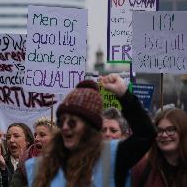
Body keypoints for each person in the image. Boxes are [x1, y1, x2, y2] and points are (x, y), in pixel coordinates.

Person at [25, 73, 156, 187]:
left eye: (72, 122)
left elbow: (146, 134)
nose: (64, 127)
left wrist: (124, 95)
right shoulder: (38, 166)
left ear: (90, 127)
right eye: (61, 121)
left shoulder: (112, 157)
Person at [132, 107, 187, 187]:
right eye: (159, 130)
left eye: (170, 129)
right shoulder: (142, 167)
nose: (164, 135)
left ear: (183, 131)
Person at [10, 117, 58, 187]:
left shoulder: (64, 161)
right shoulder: (24, 160)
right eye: (35, 135)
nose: (36, 139)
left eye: (42, 135)